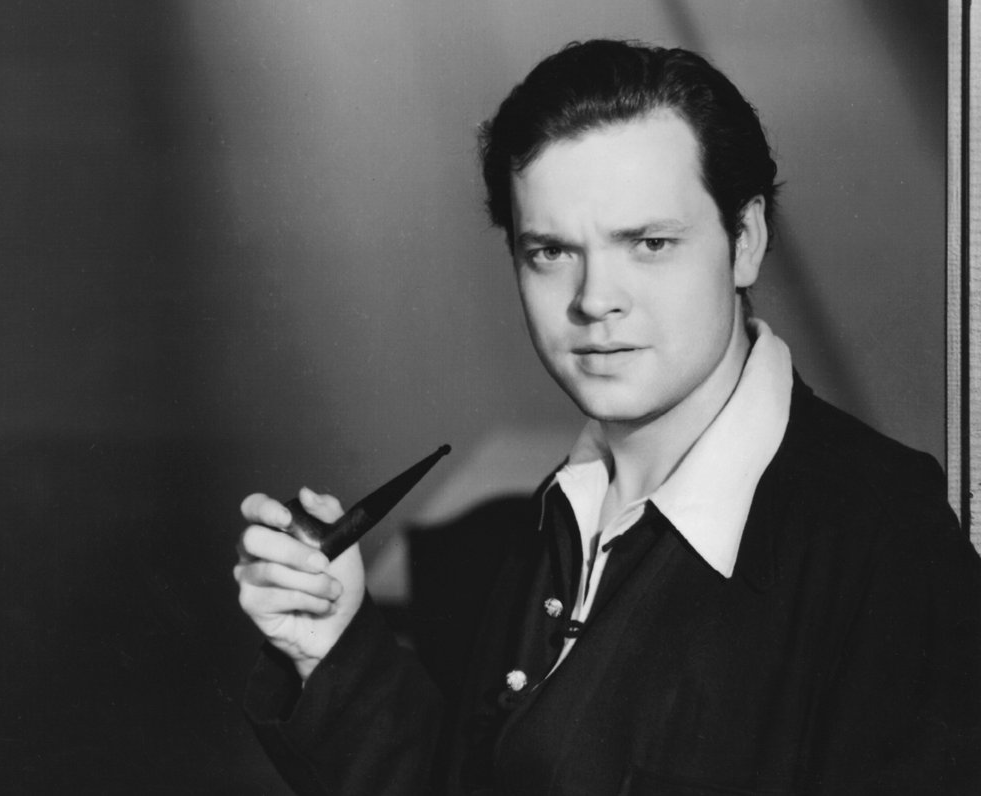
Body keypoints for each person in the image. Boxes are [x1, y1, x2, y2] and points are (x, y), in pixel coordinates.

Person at [233, 39, 981, 795]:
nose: (595, 299)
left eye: (650, 243)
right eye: (552, 252)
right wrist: (330, 646)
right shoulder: (558, 514)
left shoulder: (885, 542)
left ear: (746, 242)